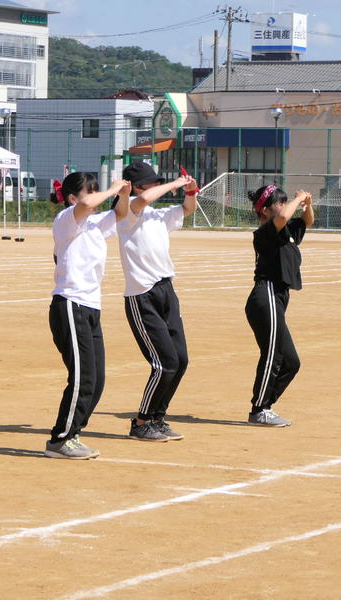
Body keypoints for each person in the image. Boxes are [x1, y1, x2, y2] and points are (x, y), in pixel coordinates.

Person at [44, 172, 131, 459]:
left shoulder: (94, 223)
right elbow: (86, 206)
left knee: (97, 379)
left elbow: (120, 212)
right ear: (71, 197)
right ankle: (60, 439)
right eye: (89, 190)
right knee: (82, 377)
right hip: (70, 304)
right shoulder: (68, 218)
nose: (95, 195)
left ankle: (75, 432)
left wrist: (122, 193)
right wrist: (110, 189)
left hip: (91, 307)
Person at [118, 161, 198, 442]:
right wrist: (175, 184)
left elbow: (187, 209)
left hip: (166, 291)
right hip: (142, 296)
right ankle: (140, 422)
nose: (156, 185)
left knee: (181, 360)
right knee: (164, 363)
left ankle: (157, 418)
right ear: (137, 186)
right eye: (152, 182)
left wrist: (190, 191)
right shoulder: (126, 211)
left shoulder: (157, 215)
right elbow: (141, 200)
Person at [245, 185, 314, 426]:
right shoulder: (264, 232)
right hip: (266, 295)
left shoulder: (287, 231)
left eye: (285, 201)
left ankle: (266, 405)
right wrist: (296, 199)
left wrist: (307, 204)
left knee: (291, 362)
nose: (284, 205)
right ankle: (259, 409)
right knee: (273, 355)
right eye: (279, 202)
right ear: (264, 211)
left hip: (279, 297)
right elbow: (284, 216)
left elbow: (308, 221)